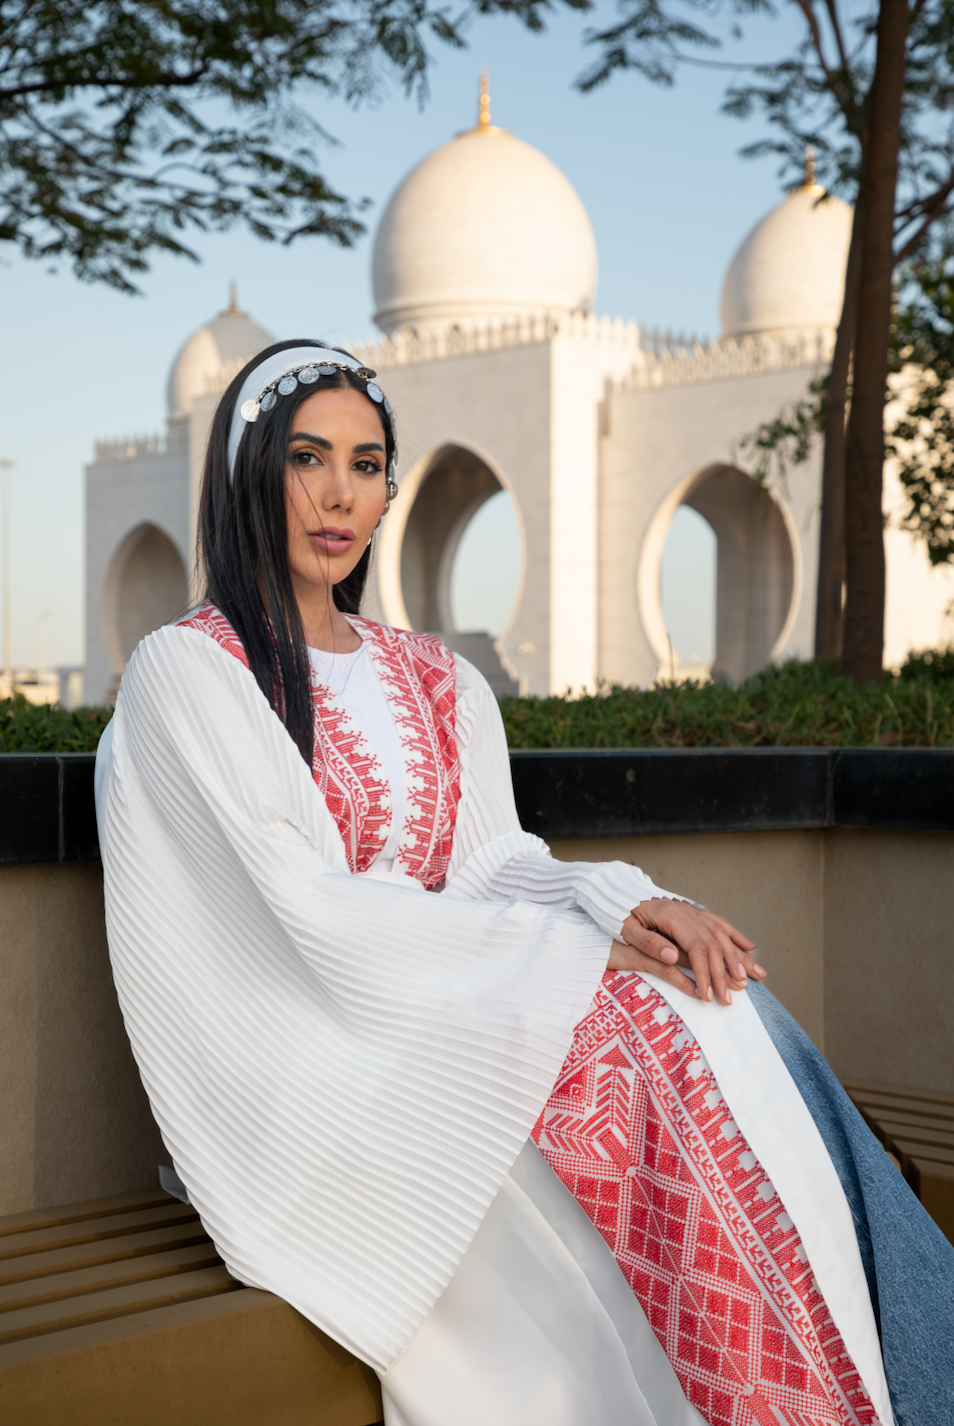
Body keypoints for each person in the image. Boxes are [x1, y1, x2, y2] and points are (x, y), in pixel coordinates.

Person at [96, 340, 953, 1426]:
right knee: (627, 1033)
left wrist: (626, 906)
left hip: (469, 1015)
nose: (337, 494)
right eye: (306, 456)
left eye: (367, 465)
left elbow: (495, 864)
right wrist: (577, 955)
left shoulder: (438, 676)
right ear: (246, 469)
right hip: (323, 1068)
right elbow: (301, 909)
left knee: (706, 996)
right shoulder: (190, 671)